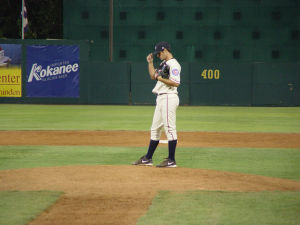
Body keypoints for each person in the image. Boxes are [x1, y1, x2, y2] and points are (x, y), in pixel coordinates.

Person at [132, 41, 181, 168]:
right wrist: (150, 63)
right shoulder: (163, 63)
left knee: (169, 128)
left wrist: (160, 78)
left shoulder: (174, 64)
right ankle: (148, 158)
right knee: (155, 129)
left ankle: (171, 160)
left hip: (169, 97)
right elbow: (153, 76)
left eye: (159, 53)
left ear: (165, 51)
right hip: (161, 98)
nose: (158, 55)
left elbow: (175, 83)